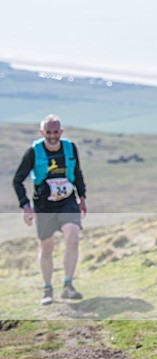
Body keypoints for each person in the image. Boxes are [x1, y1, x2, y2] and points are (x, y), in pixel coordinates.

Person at [12, 114, 88, 305]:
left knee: (72, 236)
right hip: (44, 205)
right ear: (42, 132)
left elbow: (77, 172)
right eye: (48, 132)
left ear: (61, 132)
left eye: (55, 132)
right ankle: (47, 289)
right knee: (47, 246)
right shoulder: (33, 152)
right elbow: (17, 180)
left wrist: (82, 197)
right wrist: (25, 206)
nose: (52, 136)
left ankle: (68, 285)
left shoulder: (70, 148)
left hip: (67, 201)